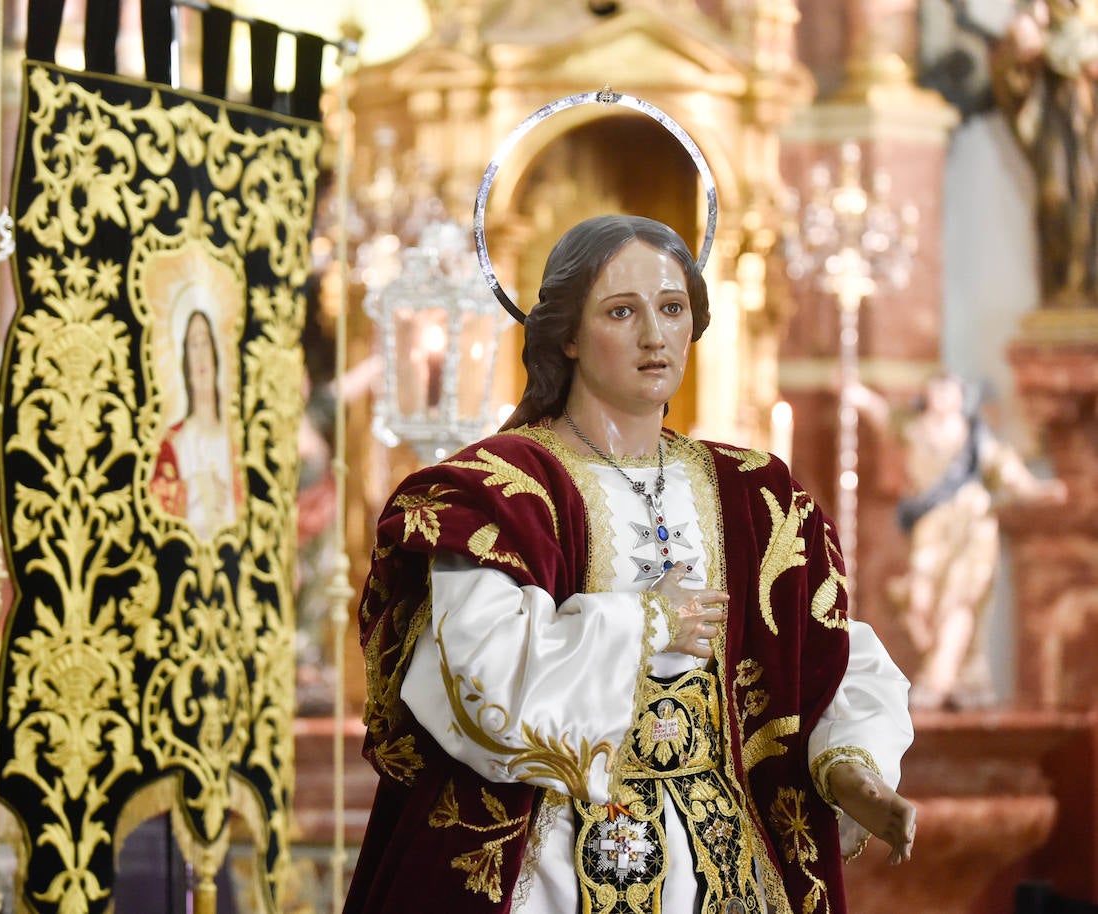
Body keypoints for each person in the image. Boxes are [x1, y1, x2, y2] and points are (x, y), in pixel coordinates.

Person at [346, 215, 916, 914]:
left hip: (726, 868)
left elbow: (824, 657)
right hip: (549, 864)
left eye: (672, 308)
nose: (655, 335)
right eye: (623, 311)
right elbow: (480, 677)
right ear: (568, 333)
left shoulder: (755, 492)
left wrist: (853, 766)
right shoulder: (496, 492)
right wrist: (644, 624)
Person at [852, 374, 1066, 709]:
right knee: (919, 602)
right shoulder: (914, 428)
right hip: (930, 531)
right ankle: (965, 673)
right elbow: (883, 416)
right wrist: (858, 394)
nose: (941, 397)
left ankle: (939, 678)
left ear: (960, 396)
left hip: (972, 528)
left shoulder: (975, 437)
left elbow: (1008, 472)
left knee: (960, 601)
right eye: (936, 389)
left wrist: (1038, 491)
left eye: (949, 391)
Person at [991, 0, 1098, 306]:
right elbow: (1012, 63)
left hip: (1092, 119)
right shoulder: (1039, 8)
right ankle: (1065, 288)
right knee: (1055, 195)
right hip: (1058, 115)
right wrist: (1023, 51)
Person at [150, 307, 240, 538]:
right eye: (193, 345)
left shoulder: (236, 441)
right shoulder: (174, 441)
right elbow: (153, 500)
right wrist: (195, 490)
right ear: (185, 361)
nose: (201, 356)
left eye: (206, 343)